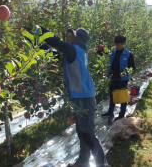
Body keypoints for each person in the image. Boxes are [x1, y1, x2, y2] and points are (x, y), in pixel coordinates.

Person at [39, 26, 110, 167]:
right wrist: (36, 43)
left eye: (72, 36)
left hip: (84, 97)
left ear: (76, 39)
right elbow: (55, 52)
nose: (69, 37)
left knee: (88, 135)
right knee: (81, 131)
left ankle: (103, 164)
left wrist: (37, 29)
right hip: (81, 96)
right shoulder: (79, 51)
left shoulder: (74, 49)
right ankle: (83, 161)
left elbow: (56, 42)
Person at [100, 35, 135, 125]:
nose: (117, 46)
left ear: (124, 44)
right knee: (112, 95)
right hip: (114, 77)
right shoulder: (113, 51)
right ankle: (110, 112)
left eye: (119, 45)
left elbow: (132, 68)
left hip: (123, 79)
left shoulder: (128, 54)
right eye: (116, 44)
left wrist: (124, 73)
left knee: (122, 96)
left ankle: (121, 114)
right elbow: (108, 61)